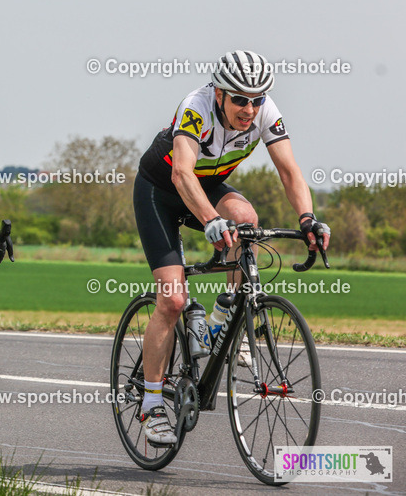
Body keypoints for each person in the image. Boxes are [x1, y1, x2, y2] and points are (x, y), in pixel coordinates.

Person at [132, 50, 330, 445]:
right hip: (161, 191)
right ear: (219, 93)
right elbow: (181, 172)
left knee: (249, 221)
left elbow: (289, 172)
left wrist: (307, 218)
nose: (249, 108)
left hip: (207, 187)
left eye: (256, 100)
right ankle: (151, 404)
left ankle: (225, 314)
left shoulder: (264, 111)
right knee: (172, 300)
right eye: (240, 99)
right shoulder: (197, 107)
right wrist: (209, 220)